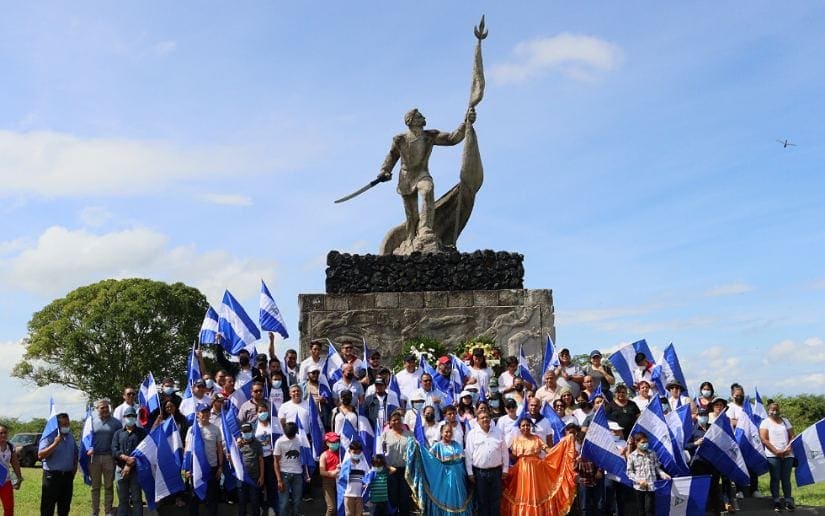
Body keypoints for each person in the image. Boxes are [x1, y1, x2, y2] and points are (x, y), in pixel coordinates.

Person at [377, 106, 475, 249]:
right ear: (411, 121)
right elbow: (392, 156)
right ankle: (410, 239)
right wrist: (385, 170)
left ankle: (425, 229)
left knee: (428, 190)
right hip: (406, 177)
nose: (423, 117)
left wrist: (466, 122)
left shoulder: (430, 136)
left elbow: (452, 139)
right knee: (411, 216)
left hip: (422, 174)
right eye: (419, 116)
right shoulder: (400, 140)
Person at [500, 417, 568, 515]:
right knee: (523, 493)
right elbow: (514, 457)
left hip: (536, 470)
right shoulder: (516, 440)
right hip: (521, 471)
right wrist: (501, 455)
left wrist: (563, 445)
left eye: (528, 425)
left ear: (531, 426)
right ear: (519, 428)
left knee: (535, 494)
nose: (526, 427)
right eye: (523, 425)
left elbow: (548, 451)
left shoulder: (536, 438)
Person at [465, 411, 508, 516]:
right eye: (482, 418)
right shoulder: (472, 434)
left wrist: (505, 469)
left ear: (491, 419)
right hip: (479, 473)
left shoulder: (498, 432)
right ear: (478, 421)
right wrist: (470, 473)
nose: (485, 419)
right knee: (482, 501)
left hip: (496, 472)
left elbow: (504, 452)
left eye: (487, 417)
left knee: (496, 499)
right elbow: (468, 455)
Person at [185, 406, 224, 516]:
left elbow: (220, 448)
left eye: (207, 413)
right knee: (194, 498)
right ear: (198, 414)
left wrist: (220, 466)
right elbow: (187, 449)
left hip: (212, 467)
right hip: (196, 468)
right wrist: (187, 468)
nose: (205, 415)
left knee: (212, 498)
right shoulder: (192, 429)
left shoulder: (216, 429)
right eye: (203, 413)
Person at [38, 413, 78, 516]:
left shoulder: (70, 436)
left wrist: (74, 469)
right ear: (57, 425)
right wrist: (55, 443)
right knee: (48, 507)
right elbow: (41, 455)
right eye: (63, 424)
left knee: (64, 507)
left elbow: (75, 453)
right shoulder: (49, 436)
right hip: (52, 477)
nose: (66, 426)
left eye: (68, 424)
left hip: (67, 477)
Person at [111, 407, 147, 516]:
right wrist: (126, 459)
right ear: (124, 418)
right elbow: (114, 449)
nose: (130, 418)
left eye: (132, 416)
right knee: (123, 500)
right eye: (128, 416)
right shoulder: (118, 433)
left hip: (136, 470)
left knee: (137, 499)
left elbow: (144, 450)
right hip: (120, 470)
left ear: (136, 418)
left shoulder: (141, 433)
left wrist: (130, 464)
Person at [760, 401, 795, 512]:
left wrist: (788, 448)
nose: (774, 411)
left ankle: (788, 501)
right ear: (768, 410)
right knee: (775, 478)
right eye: (772, 409)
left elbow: (792, 435)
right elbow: (764, 439)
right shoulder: (765, 422)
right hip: (772, 455)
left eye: (776, 409)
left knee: (786, 479)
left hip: (788, 454)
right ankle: (776, 501)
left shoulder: (785, 421)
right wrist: (776, 451)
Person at [686, 407, 722, 515]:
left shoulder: (712, 428)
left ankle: (716, 511)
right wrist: (695, 443)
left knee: (714, 488)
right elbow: (685, 445)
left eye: (705, 415)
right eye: (701, 415)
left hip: (712, 463)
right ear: (697, 416)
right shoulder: (692, 430)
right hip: (699, 463)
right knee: (700, 489)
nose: (703, 417)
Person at [89, 398, 122, 516]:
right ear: (97, 409)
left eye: (107, 407)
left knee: (108, 486)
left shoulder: (116, 423)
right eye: (102, 407)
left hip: (109, 457)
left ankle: (108, 511)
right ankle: (95, 512)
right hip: (95, 458)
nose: (105, 410)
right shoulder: (91, 422)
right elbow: (86, 439)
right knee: (95, 487)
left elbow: (120, 440)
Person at [376, 410, 412, 515]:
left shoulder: (409, 434)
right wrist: (386, 466)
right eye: (393, 420)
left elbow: (414, 452)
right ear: (389, 422)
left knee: (405, 496)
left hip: (405, 470)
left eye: (398, 420)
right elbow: (379, 453)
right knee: (393, 496)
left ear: (401, 421)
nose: (396, 422)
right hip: (390, 470)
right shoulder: (385, 435)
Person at [626, 433, 670, 516]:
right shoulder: (632, 456)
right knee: (640, 509)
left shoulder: (652, 453)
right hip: (639, 487)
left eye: (646, 442)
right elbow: (629, 472)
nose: (645, 444)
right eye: (643, 442)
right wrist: (639, 481)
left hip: (651, 486)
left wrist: (663, 474)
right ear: (636, 442)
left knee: (649, 509)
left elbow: (657, 468)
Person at [274, 422, 308, 516]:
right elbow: (276, 461)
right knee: (284, 503)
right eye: (289, 436)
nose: (291, 438)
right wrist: (279, 480)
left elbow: (306, 456)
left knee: (297, 502)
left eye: (292, 436)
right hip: (284, 474)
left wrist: (306, 473)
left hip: (298, 475)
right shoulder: (279, 442)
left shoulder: (301, 440)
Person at [236, 423, 264, 516]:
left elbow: (261, 460)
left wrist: (261, 476)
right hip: (242, 478)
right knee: (242, 502)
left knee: (255, 501)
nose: (247, 433)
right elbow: (234, 459)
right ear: (241, 433)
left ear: (252, 432)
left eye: (249, 431)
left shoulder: (257, 444)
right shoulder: (238, 445)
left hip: (254, 478)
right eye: (245, 432)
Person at [339, 439, 368, 516]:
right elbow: (341, 480)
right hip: (348, 495)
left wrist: (366, 484)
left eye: (358, 452)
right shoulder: (345, 465)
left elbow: (367, 478)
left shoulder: (363, 464)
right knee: (349, 514)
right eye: (354, 452)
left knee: (359, 514)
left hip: (359, 495)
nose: (356, 454)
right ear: (349, 452)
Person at [0, 424, 23, 514]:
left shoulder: (10, 446)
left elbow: (15, 463)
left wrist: (19, 477)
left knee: (9, 508)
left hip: (6, 481)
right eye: (1, 433)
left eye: (5, 433)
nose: (3, 435)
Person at [319, 432, 341, 516]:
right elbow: (322, 471)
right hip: (328, 482)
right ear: (327, 443)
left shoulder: (341, 453)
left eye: (337, 441)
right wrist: (332, 473)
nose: (336, 443)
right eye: (333, 442)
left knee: (341, 507)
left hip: (340, 482)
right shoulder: (324, 455)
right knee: (331, 508)